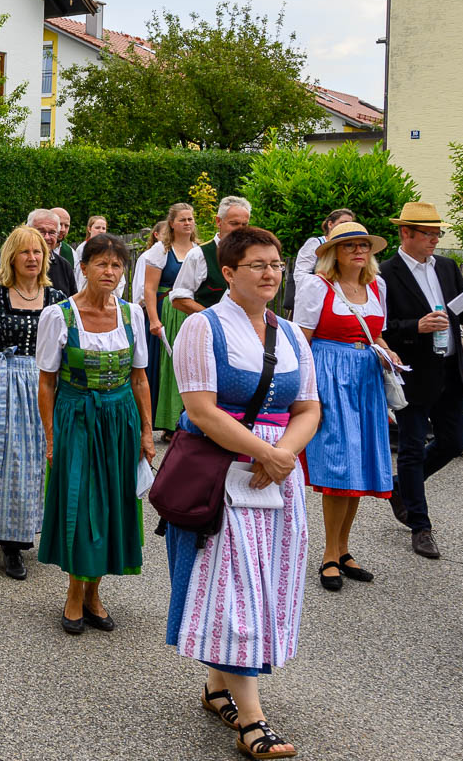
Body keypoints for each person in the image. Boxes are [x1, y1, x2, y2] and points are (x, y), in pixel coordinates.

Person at [164, 226, 320, 761]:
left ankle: (216, 687)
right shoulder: (202, 329)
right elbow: (201, 409)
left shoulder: (294, 334)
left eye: (275, 264)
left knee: (263, 581)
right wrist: (263, 451)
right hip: (223, 470)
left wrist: (282, 456)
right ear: (228, 274)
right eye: (257, 264)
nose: (271, 272)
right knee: (237, 587)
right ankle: (252, 719)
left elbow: (308, 408)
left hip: (277, 474)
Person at [37, 233, 154, 633]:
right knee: (81, 502)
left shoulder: (131, 315)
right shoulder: (58, 315)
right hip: (77, 417)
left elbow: (140, 379)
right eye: (102, 264)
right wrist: (51, 437)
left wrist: (147, 432)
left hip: (120, 420)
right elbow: (47, 383)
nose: (110, 271)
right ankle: (74, 592)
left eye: (117, 265)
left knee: (113, 505)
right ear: (83, 268)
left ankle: (94, 592)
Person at [380, 201, 463, 559]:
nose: (435, 239)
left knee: (452, 441)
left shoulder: (447, 267)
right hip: (414, 372)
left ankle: (401, 488)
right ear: (406, 233)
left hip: (449, 367)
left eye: (437, 233)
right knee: (412, 448)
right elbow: (381, 328)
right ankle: (420, 525)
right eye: (428, 234)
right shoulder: (385, 273)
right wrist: (416, 326)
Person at [294, 221, 397, 591]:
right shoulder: (316, 286)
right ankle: (328, 556)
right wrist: (306, 394)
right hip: (329, 379)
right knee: (339, 468)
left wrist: (387, 350)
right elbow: (300, 341)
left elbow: (377, 333)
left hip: (365, 381)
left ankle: (343, 548)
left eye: (364, 245)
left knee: (359, 465)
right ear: (334, 252)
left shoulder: (376, 285)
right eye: (350, 245)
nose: (358, 251)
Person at [0, 226, 65, 579]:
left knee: (37, 459)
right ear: (11, 257)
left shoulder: (56, 298)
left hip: (43, 383)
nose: (32, 258)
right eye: (25, 252)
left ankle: (28, 529)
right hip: (4, 381)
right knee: (7, 459)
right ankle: (11, 543)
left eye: (37, 252)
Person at [144, 203, 198, 435]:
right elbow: (149, 288)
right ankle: (167, 422)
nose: (188, 223)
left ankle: (187, 419)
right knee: (168, 367)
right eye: (183, 219)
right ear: (172, 224)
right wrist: (154, 320)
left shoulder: (199, 250)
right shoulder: (162, 251)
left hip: (190, 312)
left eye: (190, 219)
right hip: (166, 310)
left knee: (191, 366)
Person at [168, 195, 252, 315]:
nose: (240, 230)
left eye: (244, 225)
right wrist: (213, 319)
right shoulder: (198, 255)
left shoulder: (251, 255)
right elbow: (179, 299)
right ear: (218, 221)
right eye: (234, 224)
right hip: (207, 330)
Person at [287, 209, 355, 317]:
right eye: (343, 223)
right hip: (312, 305)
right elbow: (300, 275)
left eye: (350, 224)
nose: (346, 227)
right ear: (330, 224)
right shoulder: (315, 244)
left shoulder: (348, 248)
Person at [28, 209, 77, 297]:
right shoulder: (14, 262)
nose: (47, 237)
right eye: (41, 231)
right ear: (28, 231)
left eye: (52, 232)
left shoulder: (65, 267)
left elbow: (72, 304)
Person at [51, 207, 74, 271]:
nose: (63, 229)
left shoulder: (71, 253)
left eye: (66, 226)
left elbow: (77, 280)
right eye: (59, 224)